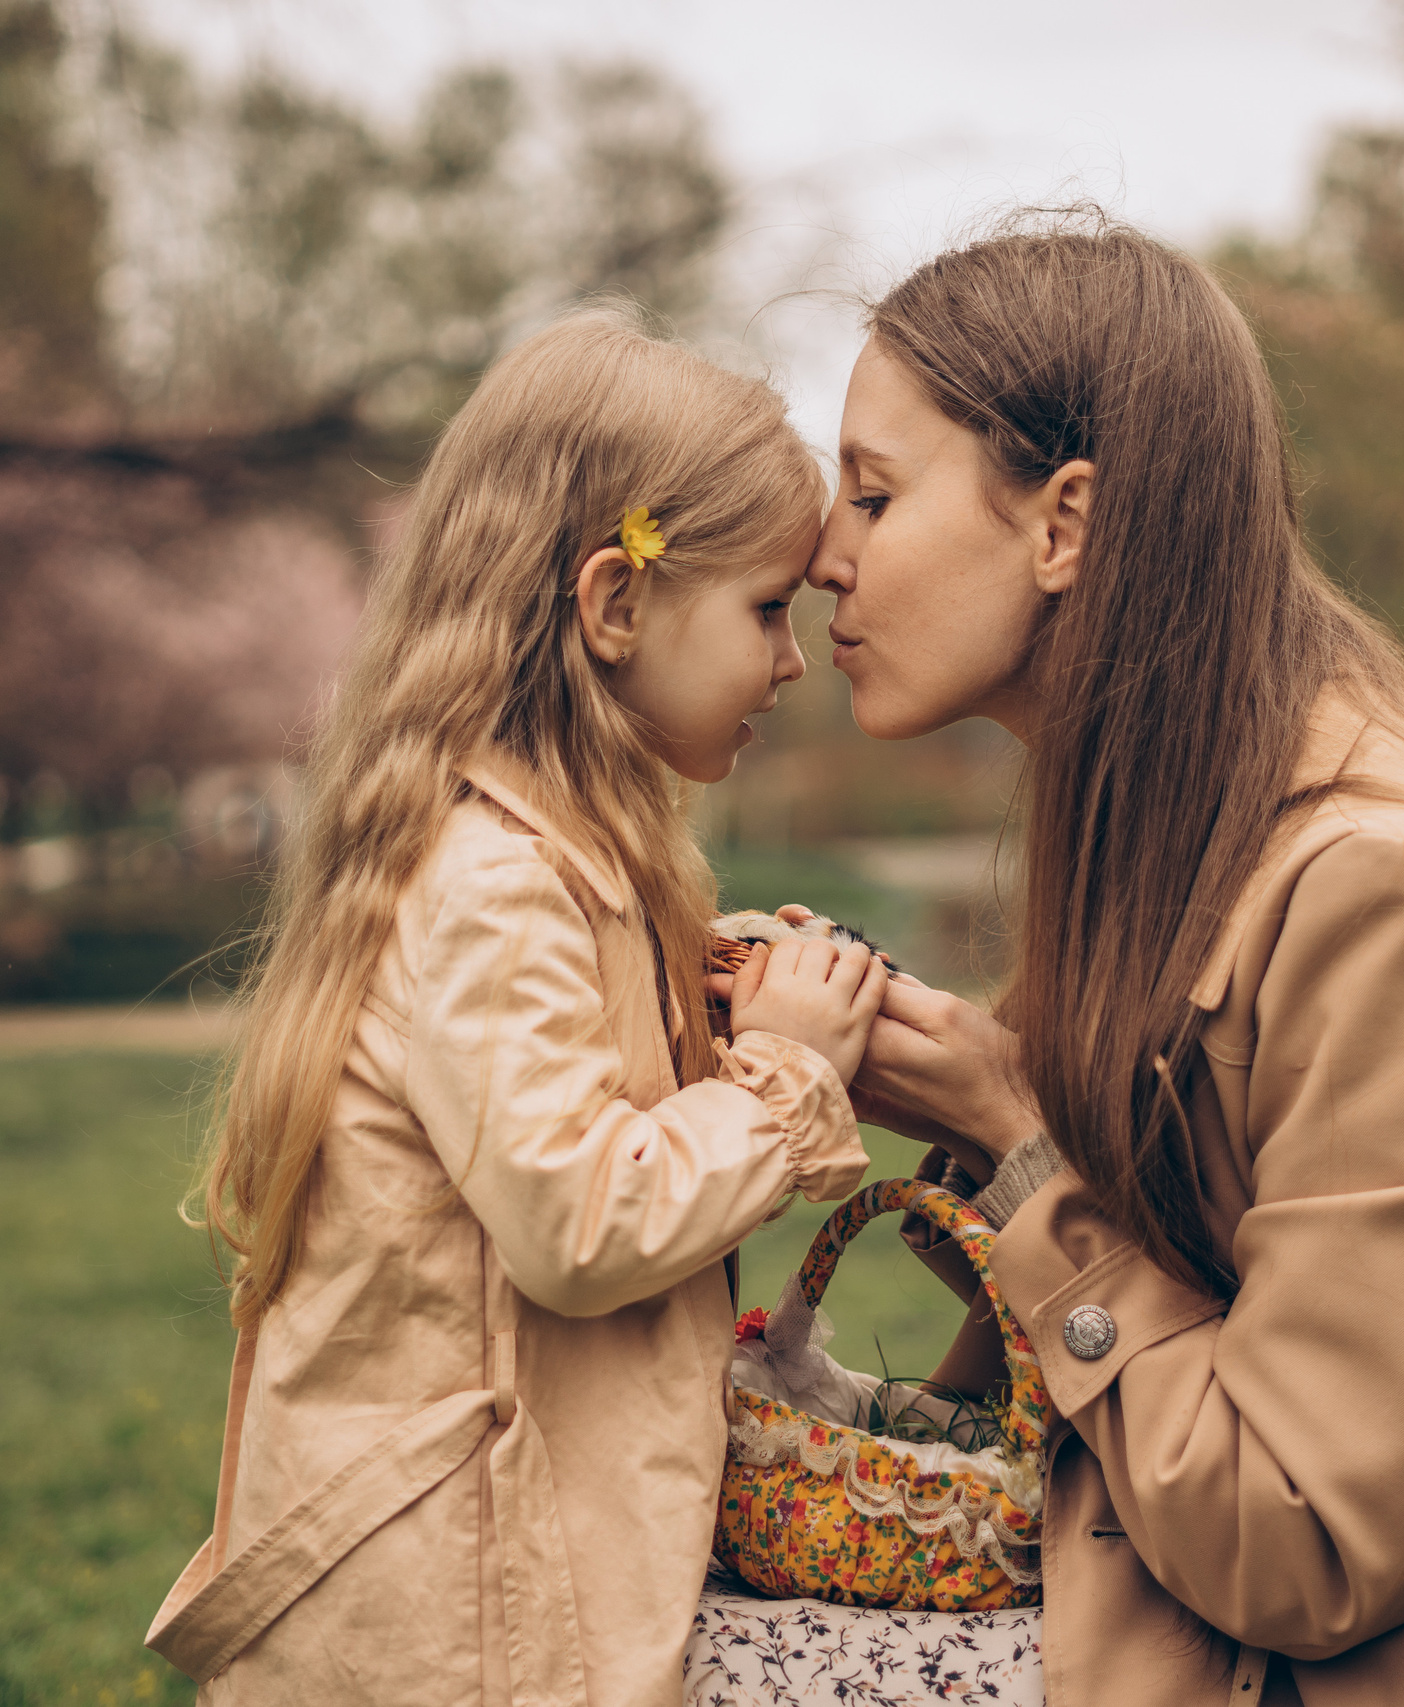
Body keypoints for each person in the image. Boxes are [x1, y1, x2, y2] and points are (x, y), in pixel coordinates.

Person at [812, 221, 1404, 1705]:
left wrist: (1018, 1150)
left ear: (1065, 526)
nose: (819, 553)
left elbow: (1307, 1538)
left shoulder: (1398, 906)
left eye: (871, 492)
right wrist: (965, 1090)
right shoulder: (1184, 817)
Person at [144, 310, 888, 1707]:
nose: (794, 662)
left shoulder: (564, 865)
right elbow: (580, 1221)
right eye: (767, 611)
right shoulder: (495, 883)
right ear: (616, 607)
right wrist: (782, 1075)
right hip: (459, 1614)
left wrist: (710, 1003)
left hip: (490, 1575)